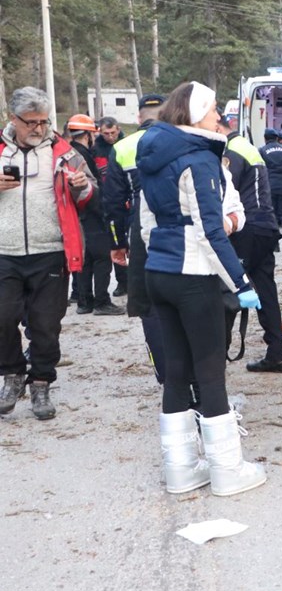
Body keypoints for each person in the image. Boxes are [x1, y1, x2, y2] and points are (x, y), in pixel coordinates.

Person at [139, 81, 265, 497]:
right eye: (213, 111)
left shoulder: (152, 152)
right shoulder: (199, 159)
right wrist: (242, 282)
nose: (220, 119)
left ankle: (180, 470)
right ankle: (228, 470)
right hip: (195, 277)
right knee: (210, 373)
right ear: (194, 115)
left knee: (176, 371)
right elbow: (212, 232)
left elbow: (146, 223)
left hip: (159, 272)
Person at [0, 88, 96, 421]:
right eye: (31, 122)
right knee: (2, 318)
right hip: (4, 253)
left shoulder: (64, 151)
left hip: (51, 252)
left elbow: (90, 194)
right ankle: (12, 375)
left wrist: (81, 186)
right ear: (14, 120)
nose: (39, 128)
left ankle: (41, 381)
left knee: (45, 325)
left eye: (44, 121)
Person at [216, 115, 282, 373]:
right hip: (266, 225)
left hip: (246, 228)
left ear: (218, 128)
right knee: (266, 290)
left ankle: (215, 355)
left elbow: (223, 192)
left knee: (229, 289)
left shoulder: (230, 152)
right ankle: (277, 352)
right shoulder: (247, 147)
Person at [106, 93, 168, 382]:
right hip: (182, 229)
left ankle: (164, 370)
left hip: (139, 232)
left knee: (149, 304)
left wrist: (117, 243)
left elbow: (114, 204)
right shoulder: (185, 139)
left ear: (140, 117)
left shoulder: (121, 147)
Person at [65, 114, 123, 316]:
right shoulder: (81, 156)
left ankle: (84, 301)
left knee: (86, 259)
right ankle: (101, 302)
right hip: (92, 213)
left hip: (78, 215)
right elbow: (89, 187)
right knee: (101, 258)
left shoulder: (67, 153)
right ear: (89, 134)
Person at [92, 116, 127, 297]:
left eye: (113, 132)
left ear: (118, 129)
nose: (110, 136)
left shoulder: (126, 145)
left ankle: (131, 279)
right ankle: (122, 281)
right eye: (106, 133)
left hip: (125, 198)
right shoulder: (96, 149)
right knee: (115, 241)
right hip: (105, 200)